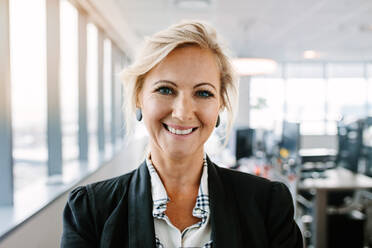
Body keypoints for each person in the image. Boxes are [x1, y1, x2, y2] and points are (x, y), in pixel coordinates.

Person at [61, 20, 303, 248]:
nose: (183, 112)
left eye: (204, 93)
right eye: (165, 89)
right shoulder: (90, 211)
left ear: (220, 104)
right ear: (138, 97)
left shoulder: (267, 204)